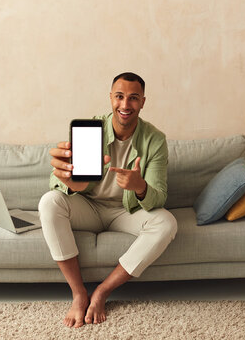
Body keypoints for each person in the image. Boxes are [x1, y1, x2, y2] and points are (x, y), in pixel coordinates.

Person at [38, 72, 177, 328]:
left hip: (128, 211)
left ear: (143, 102)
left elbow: (159, 197)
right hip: (88, 207)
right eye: (120, 97)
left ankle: (102, 291)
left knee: (167, 223)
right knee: (49, 201)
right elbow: (59, 181)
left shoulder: (155, 139)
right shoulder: (92, 131)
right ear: (110, 98)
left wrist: (140, 186)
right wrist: (70, 184)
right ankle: (79, 293)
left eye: (133, 98)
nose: (125, 105)